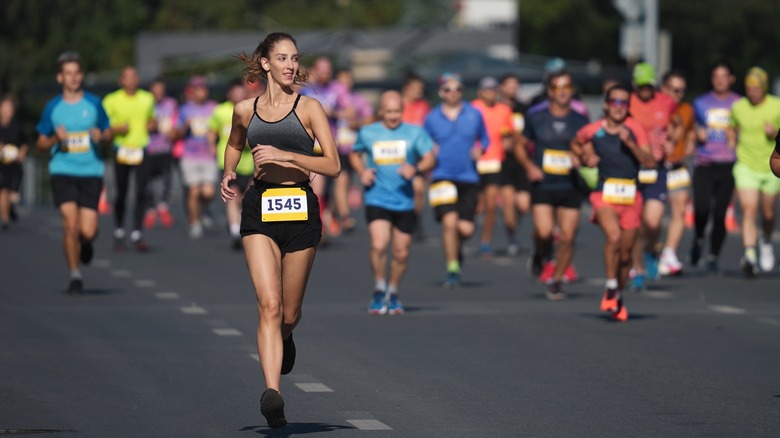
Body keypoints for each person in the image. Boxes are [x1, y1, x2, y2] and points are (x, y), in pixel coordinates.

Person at [221, 32, 340, 428]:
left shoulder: (310, 108)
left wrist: (288, 154)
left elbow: (333, 164)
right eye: (283, 58)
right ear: (266, 63)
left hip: (300, 206)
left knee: (288, 312)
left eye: (295, 58)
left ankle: (286, 337)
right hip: (259, 208)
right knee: (268, 306)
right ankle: (273, 394)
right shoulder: (244, 108)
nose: (291, 64)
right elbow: (235, 142)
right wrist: (227, 172)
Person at [572, 83, 655, 321]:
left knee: (627, 256)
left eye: (624, 103)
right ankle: (610, 285)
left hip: (631, 196)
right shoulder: (594, 129)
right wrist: (586, 156)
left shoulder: (635, 129)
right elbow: (575, 143)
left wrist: (630, 144)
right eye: (615, 102)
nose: (619, 107)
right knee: (614, 238)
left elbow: (649, 161)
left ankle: (617, 293)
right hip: (603, 193)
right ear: (607, 105)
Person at [350, 90, 435, 314]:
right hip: (376, 196)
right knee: (379, 244)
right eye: (388, 111)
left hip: (404, 200)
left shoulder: (414, 133)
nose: (393, 116)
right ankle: (379, 287)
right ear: (381, 112)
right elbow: (354, 153)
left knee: (401, 252)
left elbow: (430, 157)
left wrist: (415, 168)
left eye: (397, 111)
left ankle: (393, 291)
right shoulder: (368, 132)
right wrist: (362, 171)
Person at [36, 51, 112, 294]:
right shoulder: (53, 107)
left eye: (77, 73)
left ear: (81, 76)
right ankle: (75, 274)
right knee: (70, 225)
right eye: (68, 74)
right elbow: (40, 143)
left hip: (91, 170)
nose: (73, 78)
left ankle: (86, 243)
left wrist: (102, 136)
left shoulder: (93, 103)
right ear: (60, 77)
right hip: (63, 170)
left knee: (87, 230)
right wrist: (53, 139)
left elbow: (107, 132)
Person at [515, 71, 589, 299]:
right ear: (549, 91)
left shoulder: (580, 119)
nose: (563, 91)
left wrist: (581, 158)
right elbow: (519, 145)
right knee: (545, 232)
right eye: (557, 87)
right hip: (544, 184)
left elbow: (588, 148)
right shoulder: (536, 117)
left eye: (567, 86)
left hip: (570, 184)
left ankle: (556, 280)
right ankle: (540, 253)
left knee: (567, 236)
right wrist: (529, 167)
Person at [424, 72, 489, 287]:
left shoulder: (474, 114)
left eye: (458, 89)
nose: (453, 93)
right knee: (449, 223)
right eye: (448, 89)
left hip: (468, 176)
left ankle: (455, 249)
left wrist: (480, 149)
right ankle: (452, 267)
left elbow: (485, 139)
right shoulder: (432, 117)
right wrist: (428, 152)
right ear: (441, 92)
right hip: (442, 176)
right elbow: (423, 145)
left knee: (466, 229)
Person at [628, 62, 677, 289]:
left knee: (653, 220)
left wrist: (672, 141)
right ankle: (636, 268)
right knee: (635, 223)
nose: (645, 90)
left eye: (648, 86)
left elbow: (678, 123)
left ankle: (650, 251)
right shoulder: (627, 102)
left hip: (656, 168)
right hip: (632, 168)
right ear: (634, 85)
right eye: (641, 86)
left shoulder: (665, 102)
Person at [688, 61, 741, 274]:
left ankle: (713, 255)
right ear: (712, 79)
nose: (720, 80)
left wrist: (736, 138)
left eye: (724, 75)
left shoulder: (739, 104)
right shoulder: (701, 103)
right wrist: (697, 132)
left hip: (728, 164)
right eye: (716, 76)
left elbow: (745, 129)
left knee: (720, 213)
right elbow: (690, 128)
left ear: (731, 79)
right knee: (701, 209)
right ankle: (699, 238)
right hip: (704, 163)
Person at [728, 67, 780, 277]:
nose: (752, 92)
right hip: (746, 165)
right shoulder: (739, 107)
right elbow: (732, 126)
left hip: (771, 167)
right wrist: (731, 141)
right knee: (748, 209)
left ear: (764, 88)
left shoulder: (776, 106)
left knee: (767, 213)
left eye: (756, 88)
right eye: (749, 88)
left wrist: (774, 132)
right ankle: (749, 254)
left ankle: (766, 240)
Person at [102, 66, 156, 252]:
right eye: (127, 77)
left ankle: (137, 233)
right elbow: (104, 129)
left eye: (134, 76)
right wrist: (117, 129)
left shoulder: (147, 98)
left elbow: (152, 119)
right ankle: (118, 230)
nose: (131, 80)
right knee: (122, 191)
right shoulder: (111, 100)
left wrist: (152, 124)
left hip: (141, 148)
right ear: (121, 80)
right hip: (121, 149)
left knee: (142, 191)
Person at [300, 56, 350, 241]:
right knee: (317, 189)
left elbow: (351, 112)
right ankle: (320, 225)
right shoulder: (305, 89)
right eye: (321, 69)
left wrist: (333, 112)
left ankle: (328, 218)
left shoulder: (338, 89)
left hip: (332, 145)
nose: (325, 73)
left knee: (333, 190)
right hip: (311, 146)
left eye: (328, 70)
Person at [471, 76, 517, 258]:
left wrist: (508, 141)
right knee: (477, 206)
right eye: (486, 89)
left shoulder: (504, 110)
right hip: (474, 161)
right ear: (480, 92)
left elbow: (509, 132)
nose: (490, 93)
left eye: (493, 89)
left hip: (494, 160)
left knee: (491, 204)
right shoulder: (472, 108)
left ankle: (486, 241)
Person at [657, 70, 695, 276]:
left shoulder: (686, 109)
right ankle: (651, 248)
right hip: (657, 167)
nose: (678, 94)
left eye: (682, 91)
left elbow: (691, 129)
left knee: (679, 211)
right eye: (674, 90)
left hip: (678, 166)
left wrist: (690, 141)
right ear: (664, 89)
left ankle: (669, 253)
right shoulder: (656, 109)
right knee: (651, 217)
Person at [210, 79, 252, 250]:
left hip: (249, 162)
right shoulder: (220, 111)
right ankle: (235, 231)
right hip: (228, 161)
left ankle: (246, 227)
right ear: (229, 94)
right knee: (232, 195)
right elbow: (212, 132)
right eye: (234, 92)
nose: (238, 95)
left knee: (248, 198)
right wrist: (212, 148)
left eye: (240, 91)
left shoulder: (252, 109)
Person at [175, 76, 218, 239]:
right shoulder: (185, 109)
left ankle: (205, 209)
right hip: (190, 155)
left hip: (208, 156)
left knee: (208, 192)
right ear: (192, 91)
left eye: (204, 88)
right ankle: (194, 222)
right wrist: (186, 125)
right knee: (193, 191)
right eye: (198, 89)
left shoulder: (213, 107)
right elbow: (176, 133)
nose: (202, 92)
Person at [332, 67, 373, 233]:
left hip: (355, 147)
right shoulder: (332, 99)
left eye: (347, 80)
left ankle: (336, 212)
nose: (344, 84)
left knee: (349, 182)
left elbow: (370, 118)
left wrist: (358, 123)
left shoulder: (358, 99)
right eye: (341, 80)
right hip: (337, 146)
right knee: (341, 180)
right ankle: (345, 215)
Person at [497, 73, 531, 255]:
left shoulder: (524, 108)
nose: (512, 88)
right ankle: (512, 236)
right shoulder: (496, 108)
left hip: (523, 160)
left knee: (524, 205)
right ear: (502, 87)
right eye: (508, 84)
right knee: (509, 200)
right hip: (504, 161)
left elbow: (530, 132)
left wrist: (520, 141)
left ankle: (513, 221)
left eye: (515, 85)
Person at [401, 72, 432, 241]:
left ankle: (414, 220)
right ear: (407, 88)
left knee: (419, 190)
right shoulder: (398, 105)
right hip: (398, 156)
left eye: (421, 89)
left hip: (418, 157)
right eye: (416, 88)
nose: (419, 92)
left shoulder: (424, 106)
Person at [143, 78, 178, 230]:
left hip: (165, 147)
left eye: (161, 89)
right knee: (148, 182)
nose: (158, 93)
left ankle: (163, 207)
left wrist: (174, 132)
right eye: (155, 89)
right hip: (148, 148)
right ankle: (150, 209)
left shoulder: (171, 104)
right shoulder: (144, 103)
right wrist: (151, 125)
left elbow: (176, 124)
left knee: (166, 180)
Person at [0, 95, 28, 230]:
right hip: (1, 165)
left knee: (13, 195)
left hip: (15, 165)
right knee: (3, 190)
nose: (7, 111)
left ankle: (10, 208)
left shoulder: (17, 126)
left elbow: (24, 143)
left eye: (10, 109)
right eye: (5, 108)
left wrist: (22, 153)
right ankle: (5, 219)